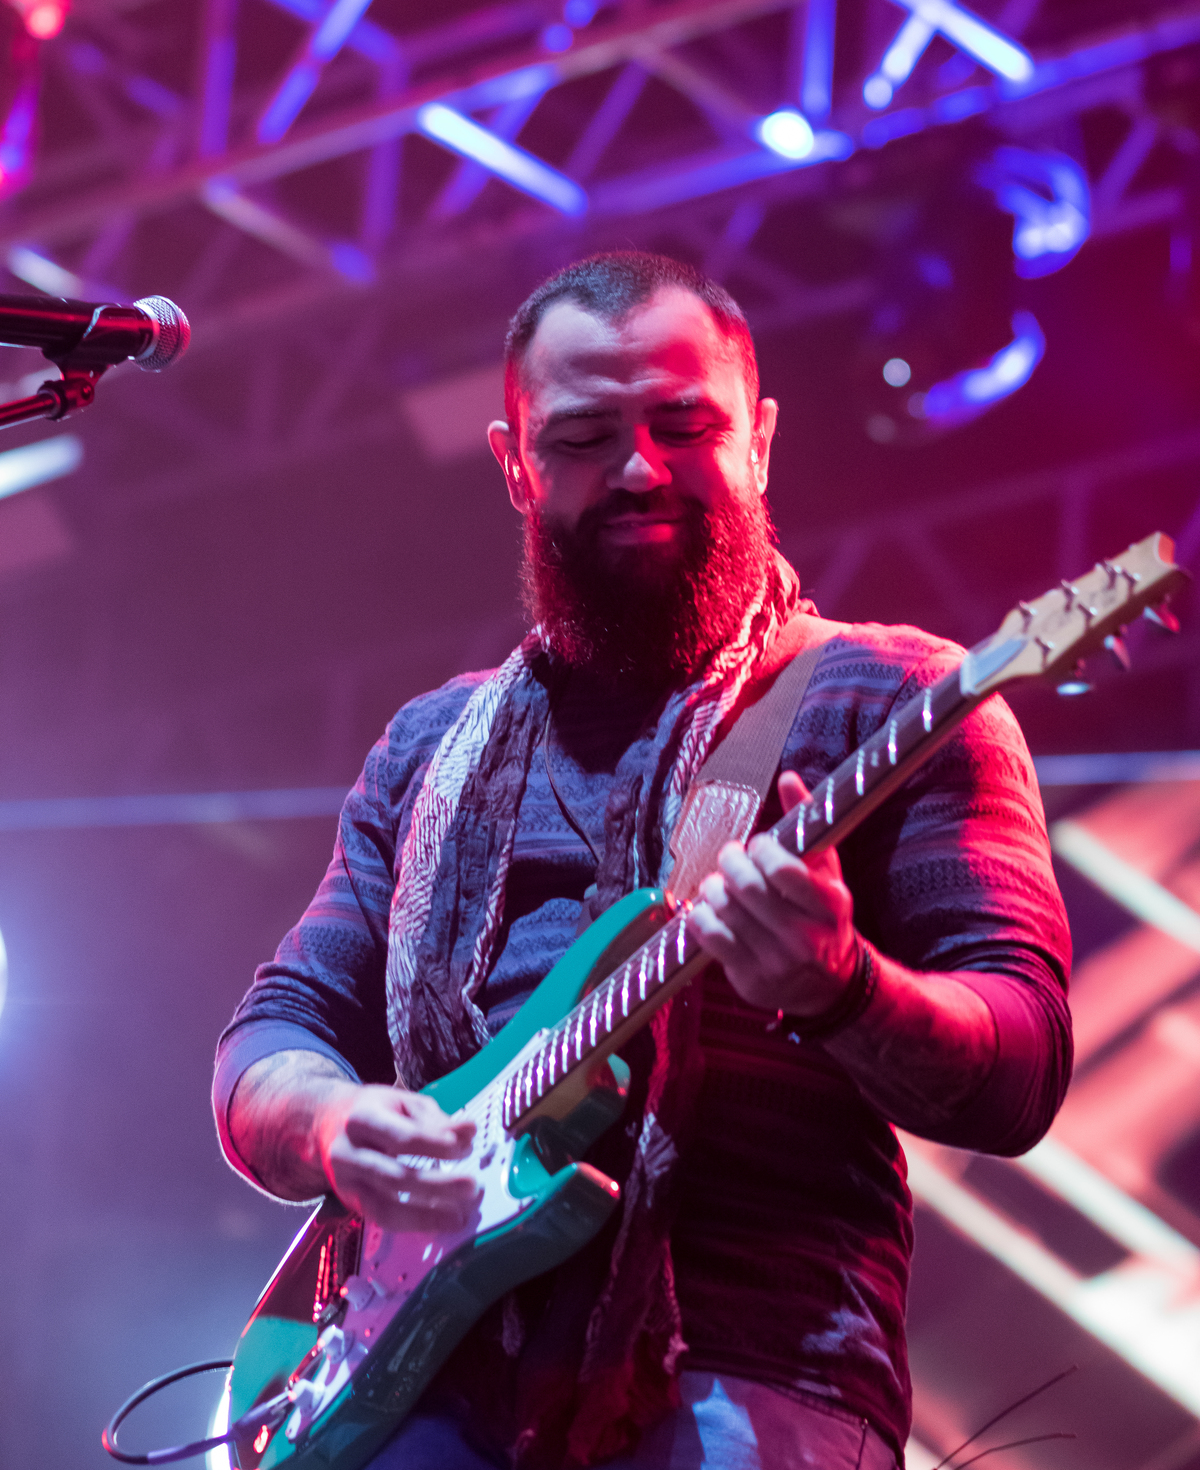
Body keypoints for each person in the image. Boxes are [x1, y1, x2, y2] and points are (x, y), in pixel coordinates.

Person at [214, 251, 1072, 1470]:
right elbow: (276, 1034)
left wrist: (843, 989)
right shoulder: (427, 745)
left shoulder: (892, 696)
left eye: (686, 425)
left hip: (741, 1371)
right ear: (514, 465)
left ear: (760, 440)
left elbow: (1020, 1064)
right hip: (408, 1390)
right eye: (582, 439)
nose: (638, 470)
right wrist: (338, 1123)